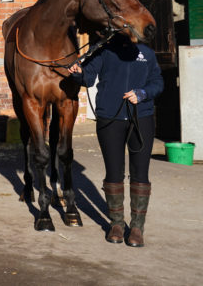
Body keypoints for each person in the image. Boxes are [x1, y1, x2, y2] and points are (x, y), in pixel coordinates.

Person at [68, 34, 163, 247]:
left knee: (140, 172)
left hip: (142, 118)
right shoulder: (104, 51)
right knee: (113, 172)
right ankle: (117, 224)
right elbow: (88, 78)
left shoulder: (146, 52)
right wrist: (78, 73)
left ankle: (137, 228)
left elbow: (157, 82)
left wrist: (143, 93)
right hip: (109, 118)